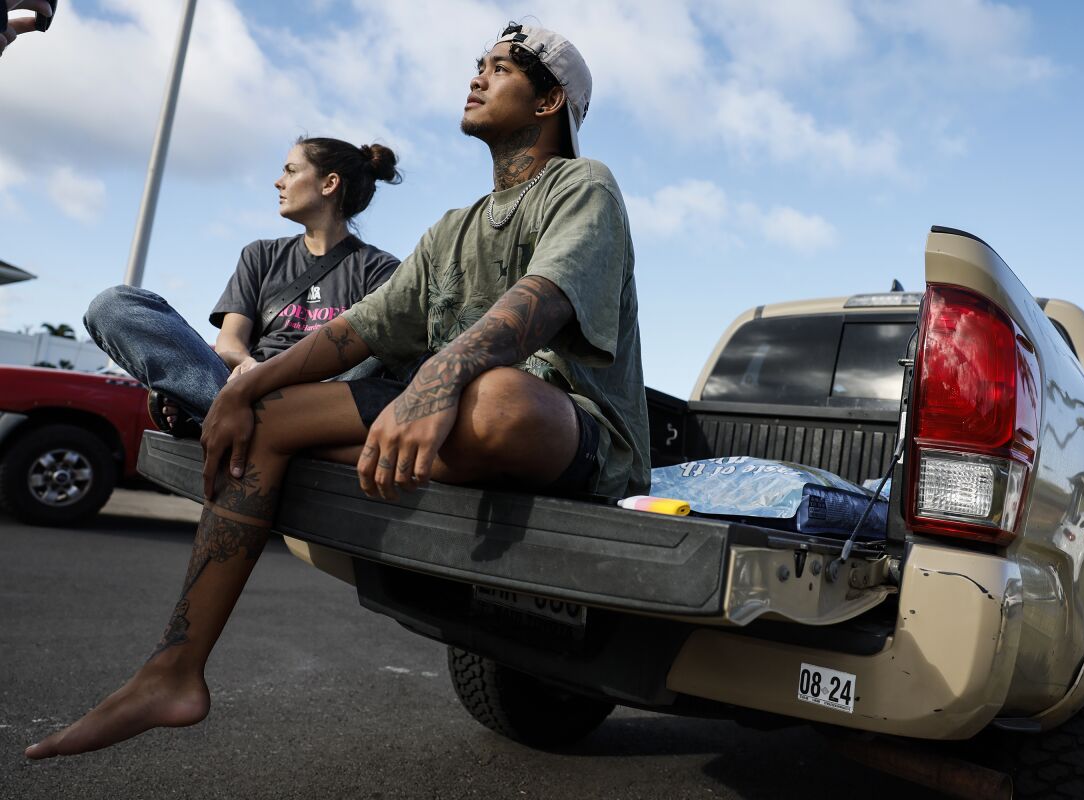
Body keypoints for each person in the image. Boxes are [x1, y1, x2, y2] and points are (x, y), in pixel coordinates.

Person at [26, 22, 649, 760]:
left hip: (565, 432)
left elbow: (541, 301)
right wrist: (246, 384)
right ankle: (173, 669)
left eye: (500, 68)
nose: (476, 76)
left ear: (549, 101)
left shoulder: (584, 185)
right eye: (476, 62)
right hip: (444, 425)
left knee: (497, 401)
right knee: (263, 416)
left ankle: (319, 445)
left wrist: (435, 383)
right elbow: (357, 332)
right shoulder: (453, 229)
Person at [83, 137, 403, 435]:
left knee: (392, 330)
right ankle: (243, 414)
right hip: (245, 385)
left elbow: (369, 358)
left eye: (291, 171)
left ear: (329, 184)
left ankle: (215, 411)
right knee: (112, 306)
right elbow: (230, 344)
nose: (279, 182)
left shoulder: (380, 268)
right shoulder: (260, 254)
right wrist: (251, 369)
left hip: (325, 396)